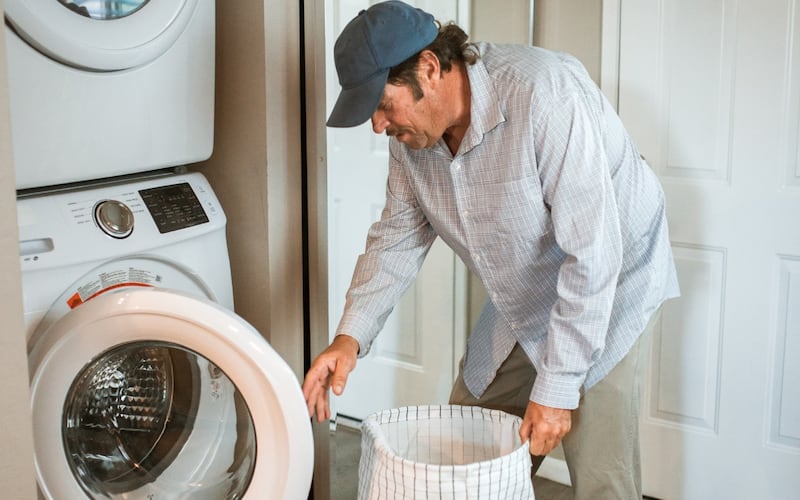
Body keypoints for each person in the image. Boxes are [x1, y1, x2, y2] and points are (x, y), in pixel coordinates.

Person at [302, 1, 680, 498]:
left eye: (382, 104)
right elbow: (396, 237)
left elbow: (593, 255)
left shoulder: (545, 96)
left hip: (612, 280)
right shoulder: (411, 142)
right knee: (470, 435)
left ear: (430, 69)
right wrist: (348, 339)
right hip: (526, 287)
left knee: (599, 470)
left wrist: (557, 389)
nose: (377, 125)